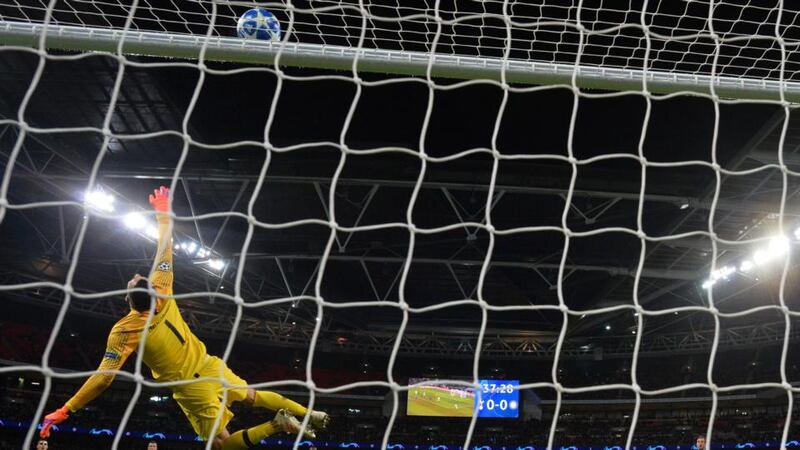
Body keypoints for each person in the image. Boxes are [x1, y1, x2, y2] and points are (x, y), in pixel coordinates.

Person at [38, 187, 329, 450]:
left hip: (191, 386)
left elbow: (103, 379)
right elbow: (165, 245)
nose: (138, 275)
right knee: (253, 395)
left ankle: (279, 425)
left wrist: (66, 410)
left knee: (220, 445)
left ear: (127, 301)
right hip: (210, 364)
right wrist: (163, 211)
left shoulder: (124, 331)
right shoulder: (163, 285)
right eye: (138, 278)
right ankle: (308, 413)